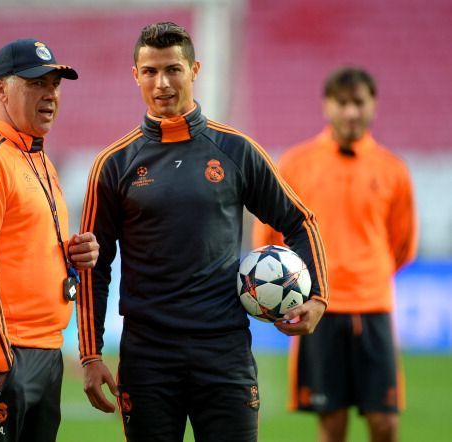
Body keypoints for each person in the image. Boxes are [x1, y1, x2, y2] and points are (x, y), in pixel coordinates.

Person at [77, 22, 329, 442]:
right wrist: (89, 353)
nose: (162, 83)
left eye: (173, 69)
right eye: (150, 71)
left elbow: (300, 221)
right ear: (135, 75)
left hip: (224, 351)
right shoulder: (114, 164)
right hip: (147, 356)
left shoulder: (235, 150)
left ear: (195, 69)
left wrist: (318, 296)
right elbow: (94, 265)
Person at [0, 38, 99, 442]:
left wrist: (73, 254)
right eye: (35, 83)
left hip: (43, 348)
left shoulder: (38, 158)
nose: (49, 94)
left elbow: (22, 246)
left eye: (54, 84)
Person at [253, 66, 417, 442]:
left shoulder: (393, 169)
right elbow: (270, 238)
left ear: (373, 106)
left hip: (374, 307)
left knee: (385, 422)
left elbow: (403, 244)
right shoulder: (296, 163)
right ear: (327, 106)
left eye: (359, 103)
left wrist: (367, 274)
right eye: (342, 103)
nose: (351, 112)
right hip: (317, 309)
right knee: (331, 423)